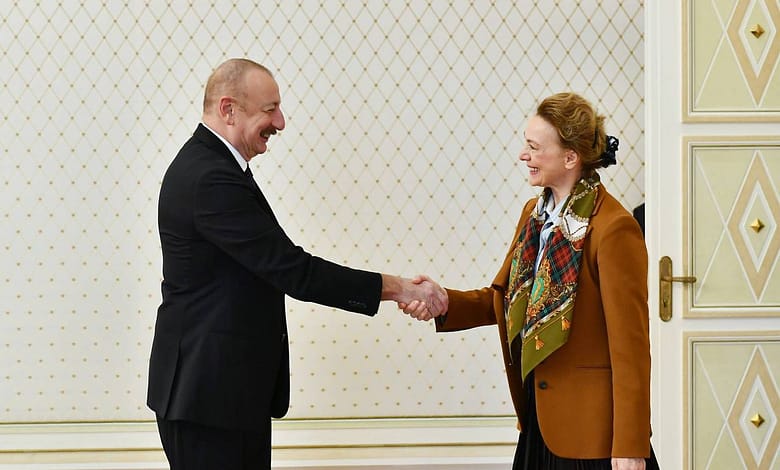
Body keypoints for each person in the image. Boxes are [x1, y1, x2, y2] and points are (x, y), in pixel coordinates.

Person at [147, 58, 446, 469]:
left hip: (223, 395)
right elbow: (293, 271)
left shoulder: (215, 167)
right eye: (269, 110)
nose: (281, 122)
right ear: (228, 109)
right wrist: (399, 288)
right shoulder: (209, 178)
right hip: (208, 400)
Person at [405, 93, 658, 469]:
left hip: (593, 439)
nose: (523, 155)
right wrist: (444, 301)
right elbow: (508, 298)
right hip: (538, 423)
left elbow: (630, 348)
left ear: (570, 157)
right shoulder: (534, 215)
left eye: (534, 147)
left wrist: (630, 444)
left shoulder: (614, 227)